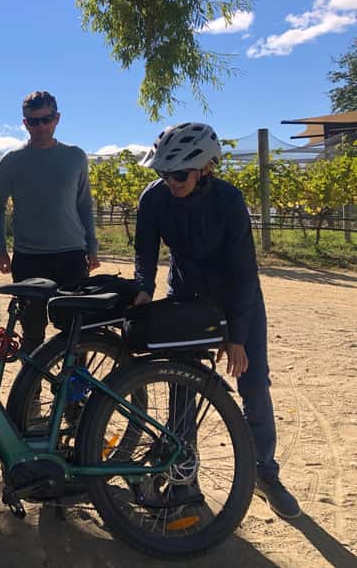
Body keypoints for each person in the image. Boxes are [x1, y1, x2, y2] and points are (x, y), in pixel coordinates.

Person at [133, 122, 300, 519]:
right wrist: (142, 288)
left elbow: (245, 271)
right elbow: (145, 251)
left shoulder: (228, 200)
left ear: (206, 168)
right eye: (163, 173)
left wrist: (237, 336)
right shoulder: (154, 199)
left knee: (254, 383)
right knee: (182, 385)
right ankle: (182, 476)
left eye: (179, 174)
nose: (170, 181)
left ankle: (264, 472)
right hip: (186, 296)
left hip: (237, 298)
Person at [0, 90, 100, 353]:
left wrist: (92, 247)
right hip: (29, 259)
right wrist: (1, 250)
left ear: (57, 118)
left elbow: (84, 204)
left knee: (75, 332)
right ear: (25, 122)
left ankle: (73, 391)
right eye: (33, 121)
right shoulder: (11, 161)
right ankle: (31, 393)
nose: (40, 126)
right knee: (32, 332)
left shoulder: (75, 157)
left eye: (46, 119)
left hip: (71, 256)